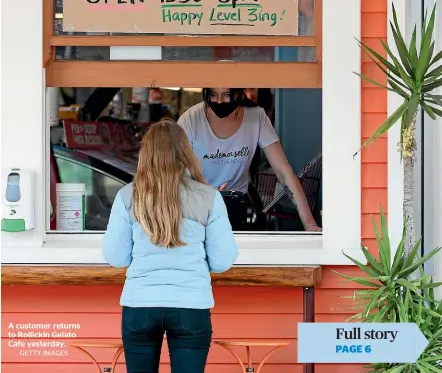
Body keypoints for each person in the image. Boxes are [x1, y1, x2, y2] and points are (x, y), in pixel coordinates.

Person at [102, 120, 238, 373]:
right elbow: (222, 261)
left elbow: (116, 257)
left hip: (140, 303)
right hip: (191, 304)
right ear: (186, 151)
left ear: (146, 154)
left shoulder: (127, 196)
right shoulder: (209, 197)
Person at [177, 88, 321, 232]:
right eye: (213, 95)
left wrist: (310, 224)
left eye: (226, 95)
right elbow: (174, 172)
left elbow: (283, 170)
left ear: (239, 93)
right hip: (197, 205)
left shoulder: (256, 116)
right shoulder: (190, 119)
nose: (219, 101)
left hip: (237, 206)